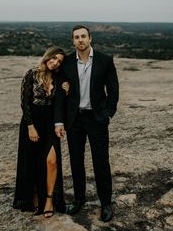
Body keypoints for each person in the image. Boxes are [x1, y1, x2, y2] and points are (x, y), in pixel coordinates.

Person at [55, 25, 119, 223]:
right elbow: (59, 93)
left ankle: (106, 203)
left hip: (96, 118)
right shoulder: (66, 63)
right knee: (76, 161)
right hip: (74, 119)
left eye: (83, 36)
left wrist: (108, 112)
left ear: (90, 38)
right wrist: (59, 120)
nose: (80, 40)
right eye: (76, 37)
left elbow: (113, 89)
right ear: (73, 41)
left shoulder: (105, 60)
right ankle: (79, 199)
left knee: (101, 161)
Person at [13, 46, 66, 218]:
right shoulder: (31, 74)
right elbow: (25, 103)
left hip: (50, 123)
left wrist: (67, 89)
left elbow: (60, 102)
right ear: (47, 57)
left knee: (51, 161)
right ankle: (35, 197)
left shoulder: (58, 78)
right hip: (32, 123)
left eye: (59, 61)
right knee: (32, 161)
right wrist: (30, 126)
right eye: (54, 58)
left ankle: (49, 199)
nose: (55, 62)